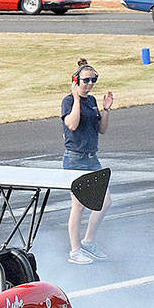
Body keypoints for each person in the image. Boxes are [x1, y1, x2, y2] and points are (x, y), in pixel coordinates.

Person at [61, 58, 113, 265]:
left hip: (92, 158)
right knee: (79, 206)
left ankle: (89, 241)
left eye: (94, 80)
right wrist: (75, 98)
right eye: (86, 80)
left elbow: (102, 129)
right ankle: (75, 250)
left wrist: (106, 109)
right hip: (75, 160)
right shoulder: (68, 101)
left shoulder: (91, 101)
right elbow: (72, 125)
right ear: (76, 81)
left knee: (105, 201)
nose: (90, 84)